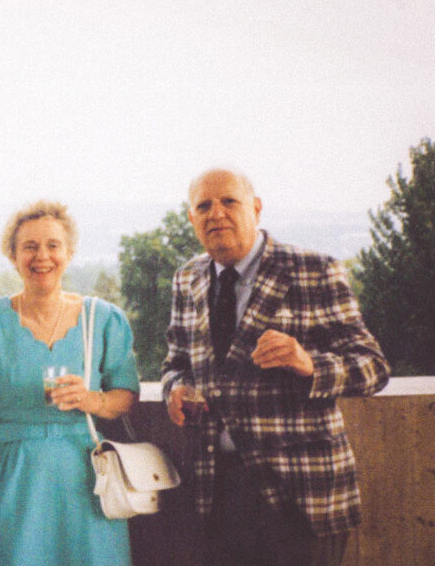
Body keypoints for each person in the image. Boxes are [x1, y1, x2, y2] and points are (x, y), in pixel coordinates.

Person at [161, 169, 391, 566]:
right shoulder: (187, 279)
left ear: (256, 207)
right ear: (192, 219)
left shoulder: (313, 269)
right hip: (215, 492)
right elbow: (175, 361)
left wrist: (309, 363)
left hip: (301, 495)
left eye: (228, 201)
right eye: (203, 206)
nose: (216, 213)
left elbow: (373, 368)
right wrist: (175, 389)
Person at [0, 200, 140, 566]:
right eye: (30, 246)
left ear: (69, 253)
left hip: (88, 478)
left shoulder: (103, 320)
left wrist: (93, 401)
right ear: (12, 256)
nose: (42, 256)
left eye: (53, 245)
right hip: (14, 479)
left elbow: (127, 395)